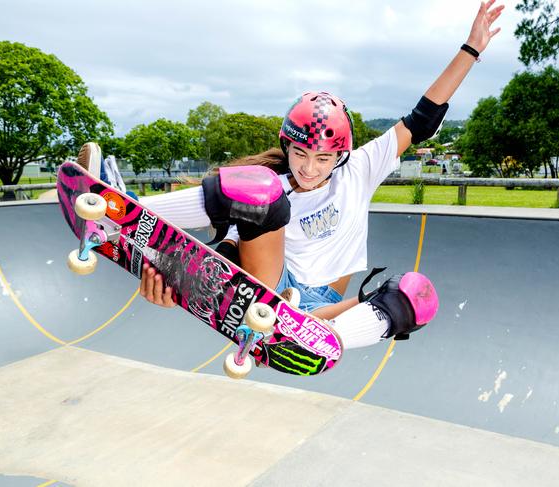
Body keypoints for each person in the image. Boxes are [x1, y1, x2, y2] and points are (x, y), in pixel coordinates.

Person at [80, 1, 503, 349]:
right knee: (262, 193)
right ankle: (117, 207)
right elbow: (229, 252)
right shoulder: (273, 186)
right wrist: (179, 283)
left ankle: (318, 340)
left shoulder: (360, 168)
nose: (309, 168)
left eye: (323, 159)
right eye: (300, 153)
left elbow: (423, 118)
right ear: (287, 145)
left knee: (414, 295)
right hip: (268, 286)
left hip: (319, 311)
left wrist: (471, 48)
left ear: (341, 155)